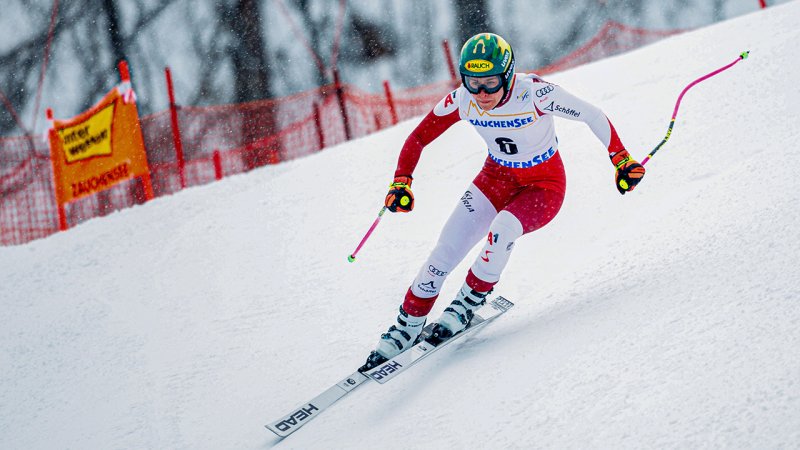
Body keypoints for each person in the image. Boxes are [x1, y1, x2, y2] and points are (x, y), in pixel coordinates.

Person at [360, 32, 645, 370]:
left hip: (543, 186)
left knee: (504, 228)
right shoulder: (462, 100)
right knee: (445, 250)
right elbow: (419, 136)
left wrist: (621, 159)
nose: (481, 94)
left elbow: (592, 115)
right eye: (472, 83)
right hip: (495, 179)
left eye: (490, 83)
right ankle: (408, 324)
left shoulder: (535, 94)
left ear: (508, 75)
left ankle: (465, 304)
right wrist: (401, 181)